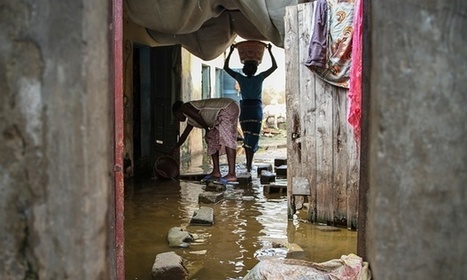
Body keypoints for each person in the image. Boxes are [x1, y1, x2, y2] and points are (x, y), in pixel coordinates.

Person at [223, 43, 278, 172]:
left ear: (244, 69)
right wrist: (270, 51)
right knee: (253, 138)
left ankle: (248, 165)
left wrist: (231, 51)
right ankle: (249, 164)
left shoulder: (240, 78)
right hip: (256, 111)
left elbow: (225, 67)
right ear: (255, 69)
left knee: (247, 137)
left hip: (245, 110)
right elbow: (275, 66)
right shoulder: (260, 77)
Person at [171, 98, 240, 183]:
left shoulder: (184, 107)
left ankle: (232, 174)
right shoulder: (190, 119)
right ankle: (216, 171)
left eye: (175, 116)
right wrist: (176, 147)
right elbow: (185, 134)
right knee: (211, 139)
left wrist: (207, 130)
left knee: (228, 139)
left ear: (177, 111)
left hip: (227, 108)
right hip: (223, 112)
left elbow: (197, 116)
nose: (177, 119)